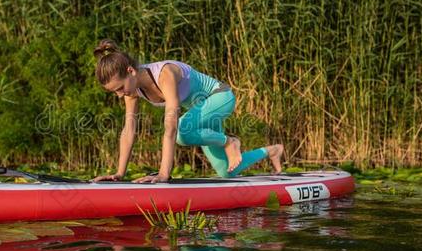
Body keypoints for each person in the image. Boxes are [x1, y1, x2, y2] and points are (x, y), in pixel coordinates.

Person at [91, 40, 283, 183]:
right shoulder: (131, 90)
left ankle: (230, 142)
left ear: (131, 71)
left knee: (182, 132)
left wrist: (163, 174)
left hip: (220, 97)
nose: (118, 95)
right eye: (114, 91)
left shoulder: (164, 74)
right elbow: (128, 131)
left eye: (119, 88)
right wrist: (119, 174)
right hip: (202, 114)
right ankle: (272, 151)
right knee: (226, 172)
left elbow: (171, 128)